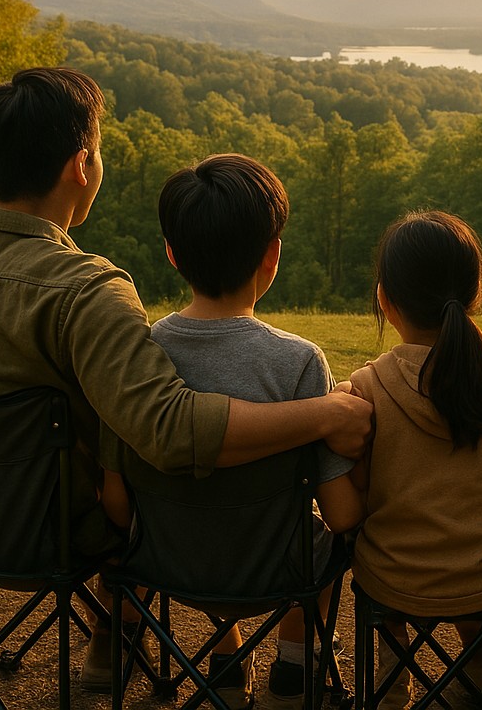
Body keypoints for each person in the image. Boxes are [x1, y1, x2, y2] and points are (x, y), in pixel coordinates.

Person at [0, 67, 372, 690]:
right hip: (52, 539)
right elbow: (168, 431)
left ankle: (113, 644)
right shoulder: (87, 291)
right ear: (80, 167)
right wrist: (326, 413)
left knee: (114, 474)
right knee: (127, 490)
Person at [99, 153, 363, 709]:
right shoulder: (299, 364)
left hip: (166, 561)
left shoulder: (141, 355)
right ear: (273, 256)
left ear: (172, 254)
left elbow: (118, 503)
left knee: (210, 518)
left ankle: (225, 652)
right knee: (314, 536)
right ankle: (295, 662)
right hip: (275, 568)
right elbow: (340, 514)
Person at [348, 211, 482, 709]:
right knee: (469, 548)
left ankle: (391, 668)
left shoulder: (368, 386)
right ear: (474, 294)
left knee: (380, 546)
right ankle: (481, 659)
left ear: (385, 298)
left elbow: (357, 499)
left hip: (393, 581)